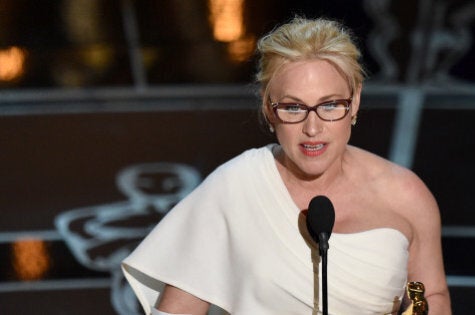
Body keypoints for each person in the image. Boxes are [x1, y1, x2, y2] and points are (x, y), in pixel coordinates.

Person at [122, 16, 451, 315]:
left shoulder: (406, 195)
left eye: (330, 105)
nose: (312, 128)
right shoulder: (234, 188)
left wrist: (419, 307)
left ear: (356, 102)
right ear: (268, 107)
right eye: (293, 108)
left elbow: (426, 292)